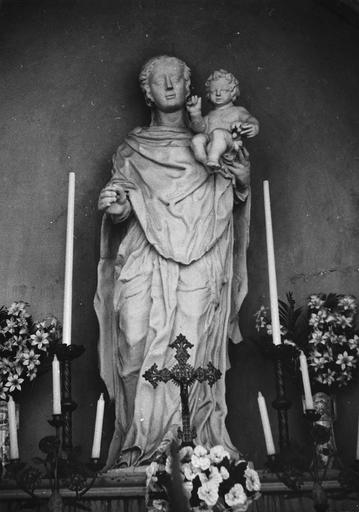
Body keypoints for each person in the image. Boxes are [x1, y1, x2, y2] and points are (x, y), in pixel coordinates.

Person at [94, 55, 251, 467]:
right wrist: (115, 207)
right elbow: (123, 203)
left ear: (188, 88)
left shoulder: (211, 140)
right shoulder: (132, 149)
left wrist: (243, 179)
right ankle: (140, 444)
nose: (168, 88)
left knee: (192, 347)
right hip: (144, 258)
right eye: (159, 82)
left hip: (199, 258)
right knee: (133, 341)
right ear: (147, 91)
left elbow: (232, 195)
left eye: (176, 81)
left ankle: (191, 449)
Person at [187, 69, 259, 169]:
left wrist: (253, 126)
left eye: (224, 90)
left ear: (233, 91)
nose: (218, 93)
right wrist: (195, 113)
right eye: (213, 91)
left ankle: (213, 159)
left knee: (218, 133)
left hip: (230, 146)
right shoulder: (210, 115)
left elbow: (250, 119)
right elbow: (199, 129)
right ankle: (206, 163)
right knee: (197, 139)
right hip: (210, 144)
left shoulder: (238, 111)